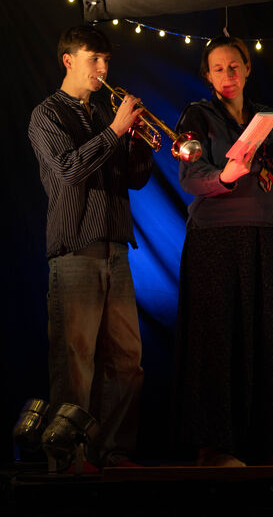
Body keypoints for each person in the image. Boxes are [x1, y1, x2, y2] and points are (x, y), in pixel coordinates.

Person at [173, 36, 273, 467]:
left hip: (264, 238)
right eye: (218, 68)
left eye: (234, 66)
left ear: (247, 69)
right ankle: (214, 448)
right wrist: (224, 176)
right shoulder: (197, 115)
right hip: (216, 239)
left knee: (266, 341)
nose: (228, 74)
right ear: (207, 76)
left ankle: (263, 445)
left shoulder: (270, 120)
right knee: (217, 341)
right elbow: (190, 175)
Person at [27, 25, 152, 469]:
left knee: (126, 359)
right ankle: (69, 457)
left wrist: (139, 144)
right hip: (75, 248)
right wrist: (116, 131)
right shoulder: (46, 115)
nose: (103, 68)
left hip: (115, 247)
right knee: (75, 358)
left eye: (106, 61)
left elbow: (133, 179)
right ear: (68, 60)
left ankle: (112, 450)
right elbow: (67, 170)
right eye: (93, 58)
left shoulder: (102, 113)